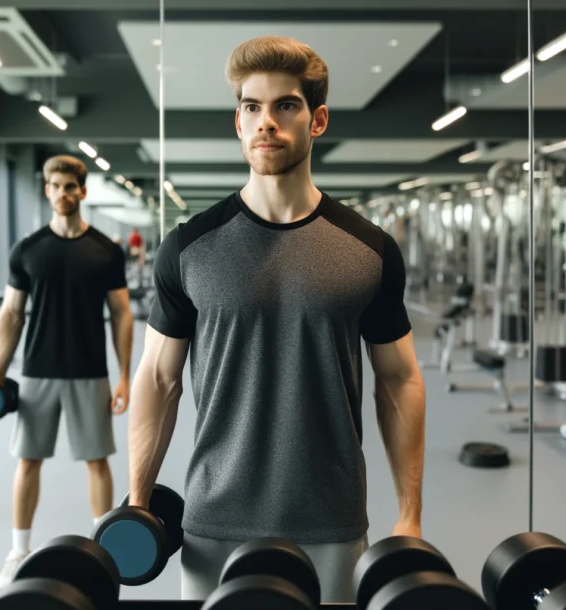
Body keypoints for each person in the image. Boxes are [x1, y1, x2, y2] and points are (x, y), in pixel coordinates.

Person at [126, 36, 427, 603]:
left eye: (285, 105)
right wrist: (138, 499)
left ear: (317, 121)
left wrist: (409, 514)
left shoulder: (369, 249)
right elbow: (158, 379)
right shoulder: (188, 249)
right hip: (213, 521)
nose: (266, 121)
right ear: (238, 124)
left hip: (331, 522)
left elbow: (400, 380)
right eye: (251, 107)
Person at [0, 154, 133, 591]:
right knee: (28, 461)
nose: (63, 193)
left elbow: (122, 313)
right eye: (55, 186)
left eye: (71, 187)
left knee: (97, 462)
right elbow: (11, 313)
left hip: (89, 371)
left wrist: (124, 375)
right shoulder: (28, 250)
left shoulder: (106, 251)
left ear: (83, 192)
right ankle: (18, 551)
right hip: (37, 372)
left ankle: (100, 552)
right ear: (46, 191)